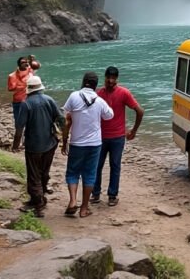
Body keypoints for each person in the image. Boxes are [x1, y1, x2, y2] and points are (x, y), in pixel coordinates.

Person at [61, 71, 113, 219]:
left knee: (72, 172)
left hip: (77, 142)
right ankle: (84, 209)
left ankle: (72, 201)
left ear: (83, 82)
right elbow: (110, 115)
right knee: (90, 175)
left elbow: (65, 117)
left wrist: (64, 142)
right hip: (95, 143)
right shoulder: (100, 100)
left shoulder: (74, 96)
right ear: (96, 86)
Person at [11, 74, 63, 218]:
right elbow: (61, 118)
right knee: (44, 171)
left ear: (29, 89)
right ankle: (42, 193)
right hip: (50, 143)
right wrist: (62, 136)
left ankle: (38, 203)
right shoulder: (49, 100)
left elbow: (19, 127)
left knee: (33, 175)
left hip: (34, 145)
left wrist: (15, 145)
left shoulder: (25, 104)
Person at [92, 66, 144, 206]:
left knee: (114, 166)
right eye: (108, 78)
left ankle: (112, 195)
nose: (110, 81)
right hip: (101, 137)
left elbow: (140, 111)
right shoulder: (98, 94)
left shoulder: (123, 93)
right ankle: (95, 194)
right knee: (98, 166)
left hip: (117, 137)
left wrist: (133, 131)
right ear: (105, 78)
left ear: (117, 79)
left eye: (113, 79)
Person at [7, 56, 32, 125]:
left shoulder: (29, 71)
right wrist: (19, 86)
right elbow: (10, 89)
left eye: (26, 62)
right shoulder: (12, 76)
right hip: (18, 101)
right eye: (23, 62)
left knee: (30, 121)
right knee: (18, 122)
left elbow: (37, 65)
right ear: (19, 64)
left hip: (30, 100)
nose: (25, 64)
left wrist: (32, 60)